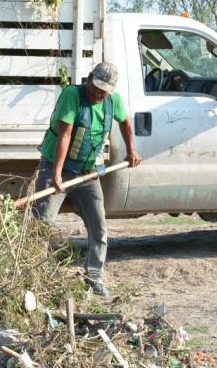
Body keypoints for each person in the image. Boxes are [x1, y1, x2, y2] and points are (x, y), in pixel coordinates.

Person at [32, 61, 141, 296]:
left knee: (99, 227)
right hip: (55, 167)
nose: (97, 93)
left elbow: (126, 123)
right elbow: (65, 135)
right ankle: (33, 277)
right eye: (95, 87)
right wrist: (57, 174)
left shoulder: (113, 101)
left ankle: (94, 276)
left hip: (88, 173)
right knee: (41, 224)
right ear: (89, 77)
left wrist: (131, 151)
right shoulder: (72, 95)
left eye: (103, 91)